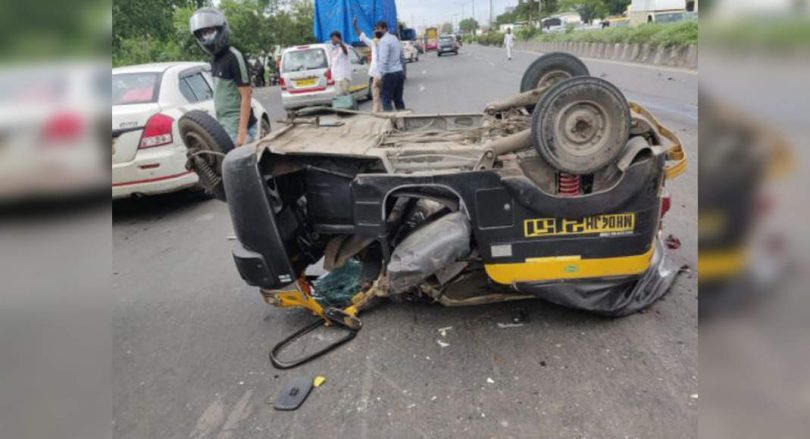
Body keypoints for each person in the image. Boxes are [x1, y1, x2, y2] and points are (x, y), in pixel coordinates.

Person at [189, 7, 256, 147]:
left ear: (221, 30)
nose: (207, 36)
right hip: (225, 127)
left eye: (210, 31)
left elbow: (246, 95)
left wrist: (242, 133)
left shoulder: (234, 56)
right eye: (203, 33)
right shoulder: (215, 60)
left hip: (238, 128)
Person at [352, 17, 383, 113]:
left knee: (380, 97)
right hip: (378, 74)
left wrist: (355, 26)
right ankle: (378, 113)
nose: (373, 32)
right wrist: (355, 26)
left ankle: (379, 113)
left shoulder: (381, 43)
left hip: (381, 74)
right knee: (377, 97)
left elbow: (363, 37)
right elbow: (362, 36)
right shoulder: (373, 43)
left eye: (376, 30)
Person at [375, 21, 405, 111]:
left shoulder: (384, 41)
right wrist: (401, 69)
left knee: (386, 99)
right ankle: (403, 118)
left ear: (384, 28)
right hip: (399, 72)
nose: (377, 31)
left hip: (389, 74)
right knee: (398, 99)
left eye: (378, 29)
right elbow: (401, 56)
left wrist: (379, 76)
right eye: (376, 29)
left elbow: (383, 60)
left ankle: (390, 119)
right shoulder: (394, 38)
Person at [329, 31, 352, 96]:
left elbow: (346, 51)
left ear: (338, 39)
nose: (332, 41)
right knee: (339, 95)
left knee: (344, 95)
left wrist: (340, 42)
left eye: (333, 39)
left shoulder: (345, 46)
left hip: (344, 76)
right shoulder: (333, 49)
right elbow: (333, 62)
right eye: (331, 39)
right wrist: (328, 70)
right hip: (336, 77)